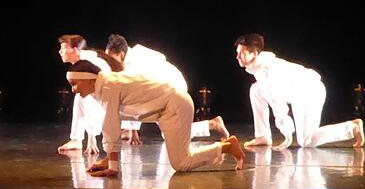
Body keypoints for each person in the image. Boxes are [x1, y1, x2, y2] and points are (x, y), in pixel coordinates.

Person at [65, 60, 244, 177]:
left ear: (88, 79)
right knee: (181, 160)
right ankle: (221, 138)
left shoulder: (108, 86)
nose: (73, 90)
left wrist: (113, 166)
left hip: (174, 105)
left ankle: (228, 147)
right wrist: (109, 160)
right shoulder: (103, 86)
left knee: (181, 163)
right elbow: (113, 123)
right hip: (165, 111)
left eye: (74, 84)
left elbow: (110, 124)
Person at [234, 33, 365, 150]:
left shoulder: (268, 71)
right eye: (237, 52)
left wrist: (287, 136)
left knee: (306, 141)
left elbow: (278, 104)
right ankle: (263, 136)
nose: (237, 56)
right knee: (256, 89)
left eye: (242, 53)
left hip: (309, 92)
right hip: (296, 93)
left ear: (255, 53)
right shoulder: (259, 67)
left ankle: (352, 128)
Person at [104, 34, 230, 145]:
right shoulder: (135, 54)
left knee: (171, 133)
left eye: (110, 58)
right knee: (169, 134)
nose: (109, 62)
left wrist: (133, 130)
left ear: (120, 54)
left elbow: (136, 96)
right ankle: (212, 124)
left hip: (172, 88)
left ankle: (213, 124)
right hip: (167, 88)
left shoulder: (134, 64)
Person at [57, 34, 117, 154]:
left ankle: (89, 137)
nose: (60, 52)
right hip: (101, 95)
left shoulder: (90, 62)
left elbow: (93, 100)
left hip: (110, 95)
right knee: (80, 98)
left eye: (63, 48)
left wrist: (91, 138)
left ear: (74, 50)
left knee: (84, 97)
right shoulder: (81, 63)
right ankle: (76, 139)